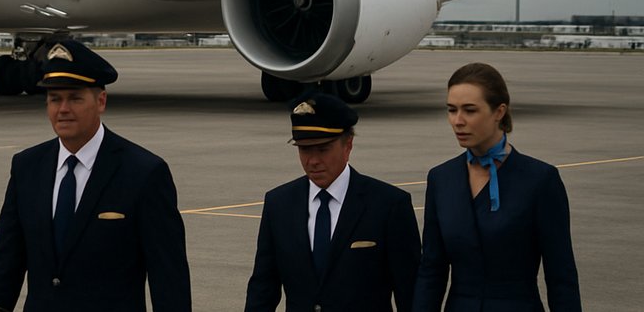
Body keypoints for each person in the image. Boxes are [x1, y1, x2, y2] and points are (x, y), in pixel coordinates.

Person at [0, 40, 192, 312]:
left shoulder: (143, 173)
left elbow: (168, 278)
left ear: (101, 101)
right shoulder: (27, 167)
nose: (63, 108)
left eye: (75, 98)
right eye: (55, 99)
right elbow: (5, 262)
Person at [414, 62, 581, 311]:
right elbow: (432, 271)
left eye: (470, 110)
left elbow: (561, 276)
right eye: (452, 110)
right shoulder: (441, 178)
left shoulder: (540, 180)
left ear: (499, 112)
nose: (457, 121)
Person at [245, 92, 421, 311]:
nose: (313, 161)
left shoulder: (388, 205)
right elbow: (263, 288)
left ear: (348, 145)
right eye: (304, 149)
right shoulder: (279, 205)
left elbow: (410, 292)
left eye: (323, 149)